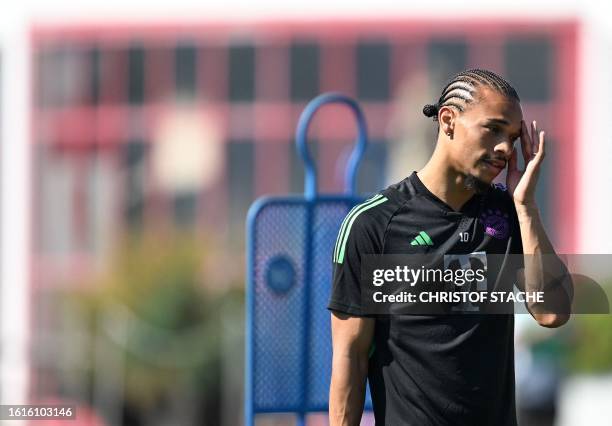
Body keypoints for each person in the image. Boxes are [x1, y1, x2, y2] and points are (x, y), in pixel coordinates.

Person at [327, 69, 572, 426]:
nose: (505, 148)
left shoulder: (510, 213)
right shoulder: (373, 223)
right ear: (448, 120)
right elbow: (350, 357)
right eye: (493, 129)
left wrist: (527, 206)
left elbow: (553, 313)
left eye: (513, 137)